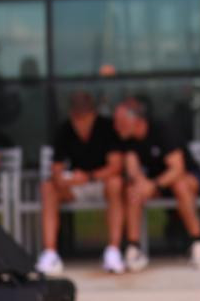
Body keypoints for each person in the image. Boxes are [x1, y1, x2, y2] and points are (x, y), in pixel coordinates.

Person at [112, 98, 200, 271]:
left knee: (180, 185)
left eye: (121, 121)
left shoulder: (162, 130)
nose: (117, 126)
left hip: (185, 178)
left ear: (135, 120)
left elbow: (177, 169)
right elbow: (133, 169)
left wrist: (154, 185)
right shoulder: (128, 139)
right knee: (133, 191)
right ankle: (134, 247)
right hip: (156, 184)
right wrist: (142, 183)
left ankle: (198, 243)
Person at [35, 92, 125, 276]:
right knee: (48, 187)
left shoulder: (106, 127)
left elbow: (116, 166)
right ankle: (50, 253)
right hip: (76, 185)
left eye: (84, 117)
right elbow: (57, 167)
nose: (80, 123)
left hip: (101, 182)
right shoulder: (65, 130)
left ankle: (113, 251)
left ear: (93, 114)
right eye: (77, 117)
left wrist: (90, 176)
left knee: (116, 184)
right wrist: (62, 178)